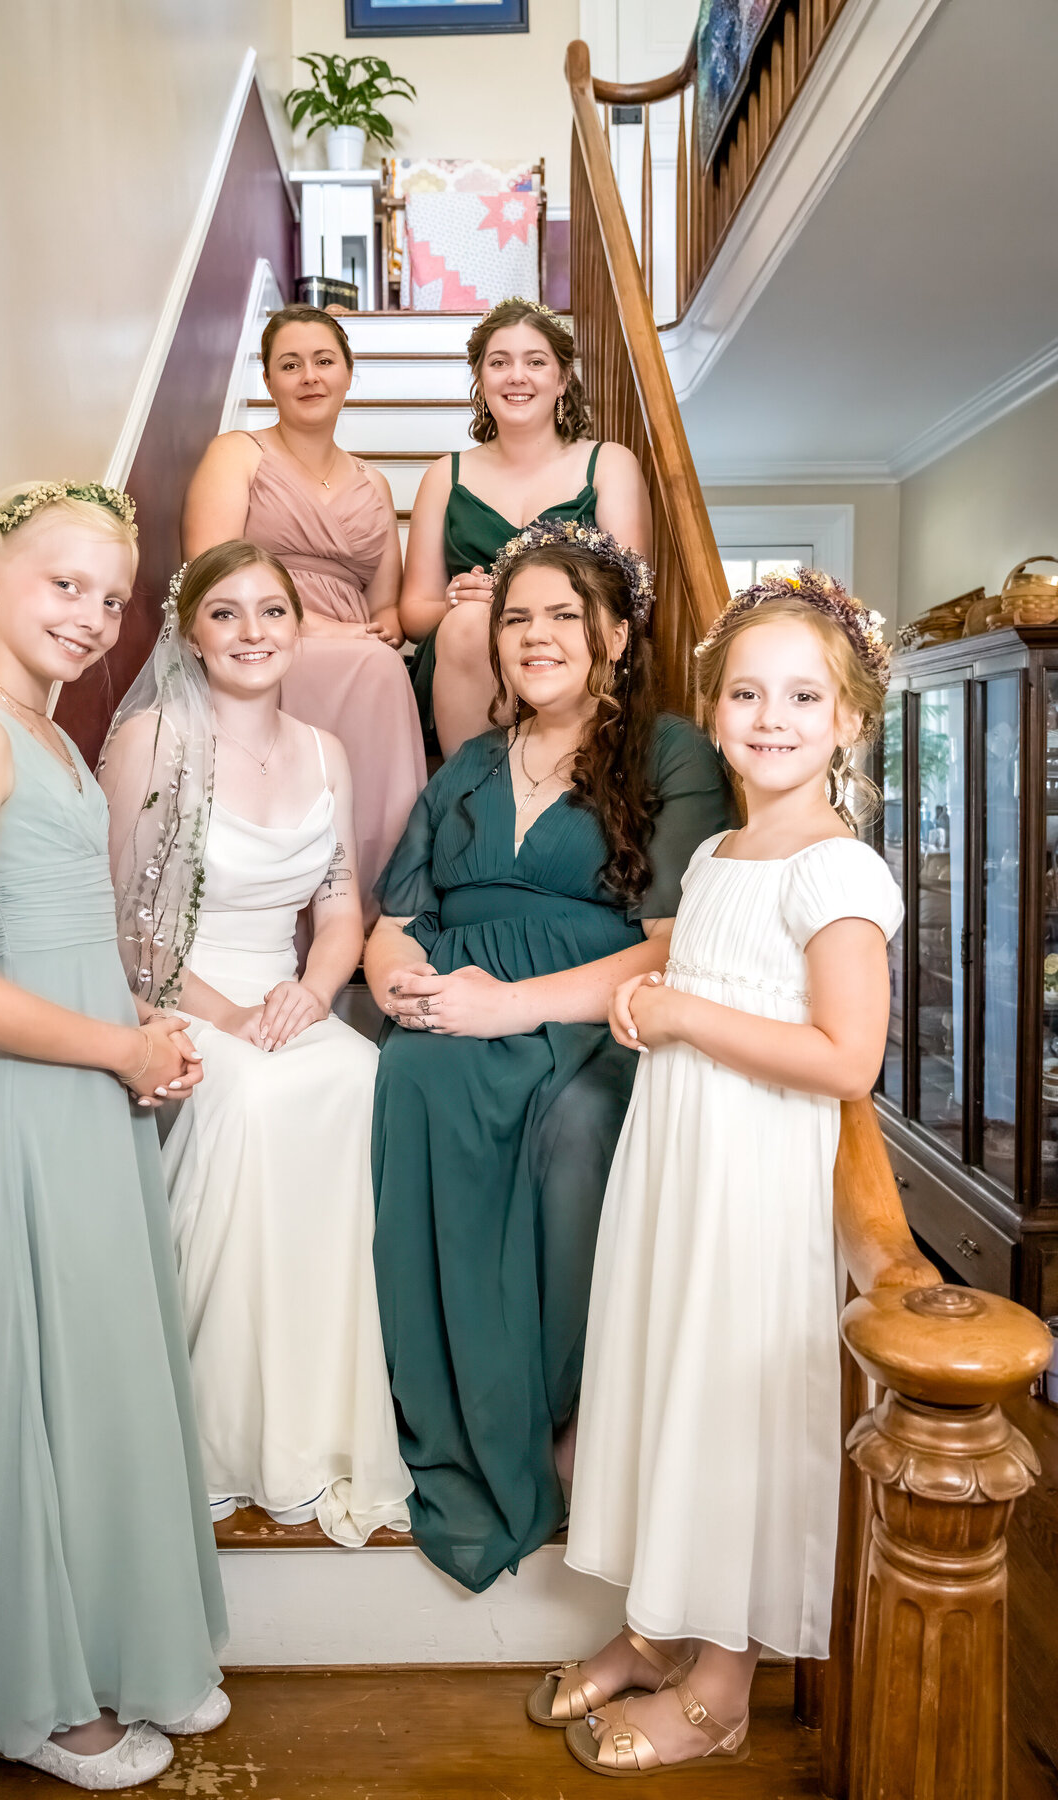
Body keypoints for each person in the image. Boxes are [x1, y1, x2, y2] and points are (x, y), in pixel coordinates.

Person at [554, 570, 902, 1775]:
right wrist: (653, 1006)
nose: (772, 716)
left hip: (758, 1183)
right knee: (672, 1386)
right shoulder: (719, 853)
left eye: (804, 696)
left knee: (739, 1412)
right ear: (714, 713)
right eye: (748, 693)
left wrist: (691, 1020)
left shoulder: (838, 872)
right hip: (685, 1168)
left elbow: (846, 1056)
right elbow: (701, 986)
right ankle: (661, 1625)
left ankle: (725, 1681)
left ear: (850, 719)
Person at [0, 482, 228, 1791]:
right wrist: (117, 1047)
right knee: (42, 1385)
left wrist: (138, 1025)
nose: (92, 617)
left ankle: (116, 1646)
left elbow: (61, 938)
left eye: (113, 599)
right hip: (16, 1105)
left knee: (100, 1371)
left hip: (80, 1078)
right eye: (64, 585)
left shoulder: (48, 731)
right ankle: (45, 1701)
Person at [365, 523, 735, 1594]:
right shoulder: (470, 765)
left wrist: (510, 1007)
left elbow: (670, 941)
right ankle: (458, 1423)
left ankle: (558, 1420)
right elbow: (399, 910)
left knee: (575, 1133)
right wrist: (401, 978)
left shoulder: (673, 755)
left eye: (564, 615)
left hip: (590, 1011)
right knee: (407, 1077)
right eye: (516, 616)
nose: (536, 635)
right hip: (454, 1004)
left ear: (614, 634)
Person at [98, 539, 412, 1546]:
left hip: (285, 993)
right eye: (224, 613)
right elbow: (126, 932)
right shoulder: (152, 741)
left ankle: (322, 1422)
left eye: (270, 611)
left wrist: (314, 995)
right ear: (190, 631)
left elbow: (339, 909)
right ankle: (223, 1428)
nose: (251, 633)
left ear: (300, 624)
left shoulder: (327, 751)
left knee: (366, 1078)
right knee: (254, 1095)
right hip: (174, 996)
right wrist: (227, 1017)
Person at [182, 303, 426, 923]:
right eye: (290, 364)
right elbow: (212, 575)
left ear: (348, 373)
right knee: (375, 667)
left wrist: (378, 628)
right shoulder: (237, 453)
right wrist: (314, 626)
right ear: (268, 380)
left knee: (380, 662)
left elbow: (388, 609)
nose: (309, 376)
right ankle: (328, 896)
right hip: (254, 631)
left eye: (324, 361)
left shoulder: (374, 484)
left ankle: (378, 891)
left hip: (354, 641)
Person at [399, 298, 652, 758]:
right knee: (472, 622)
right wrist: (456, 600)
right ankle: (473, 794)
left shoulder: (608, 463)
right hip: (466, 654)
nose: (517, 376)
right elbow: (413, 615)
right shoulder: (444, 475)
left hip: (572, 650)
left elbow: (632, 598)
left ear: (562, 379)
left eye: (535, 362)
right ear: (481, 378)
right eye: (500, 362)